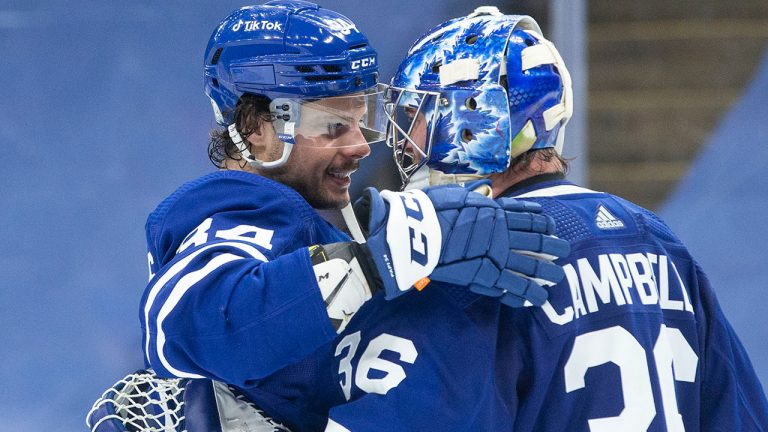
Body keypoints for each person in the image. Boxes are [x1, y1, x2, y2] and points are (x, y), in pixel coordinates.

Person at [129, 2, 570, 432]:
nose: (361, 146)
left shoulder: (302, 223)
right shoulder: (237, 213)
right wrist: (372, 262)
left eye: (362, 120)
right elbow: (185, 330)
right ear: (258, 131)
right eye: (334, 126)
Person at [372, 6, 768, 431]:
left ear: (477, 121)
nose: (406, 143)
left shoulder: (476, 262)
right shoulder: (660, 242)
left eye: (417, 118)